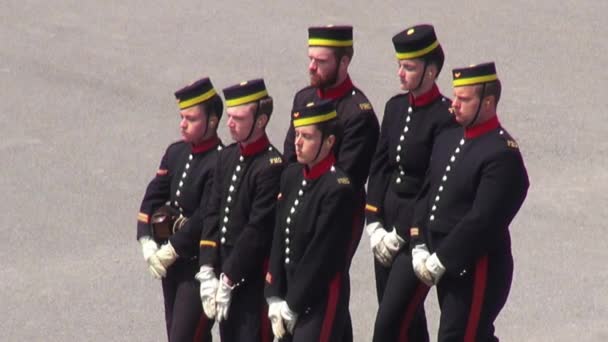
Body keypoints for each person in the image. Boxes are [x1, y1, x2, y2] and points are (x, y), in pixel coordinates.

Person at [410, 62, 529, 341]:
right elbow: (427, 192)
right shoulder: (449, 137)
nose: (455, 105)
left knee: (459, 336)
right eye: (455, 97)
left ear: (487, 103)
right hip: (444, 262)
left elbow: (483, 219)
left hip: (477, 267)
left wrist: (443, 258)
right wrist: (418, 242)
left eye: (464, 99)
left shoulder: (501, 153)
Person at [282, 25, 379, 340]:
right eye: (311, 59)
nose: (312, 67)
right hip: (302, 202)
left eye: (321, 62)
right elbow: (290, 161)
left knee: (327, 280)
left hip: (339, 214)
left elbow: (345, 180)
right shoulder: (304, 98)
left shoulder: (357, 112)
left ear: (344, 63)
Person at [365, 24, 457, 341]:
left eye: (409, 67)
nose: (401, 74)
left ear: (430, 71)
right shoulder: (396, 107)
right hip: (384, 231)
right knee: (409, 324)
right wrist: (374, 222)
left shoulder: (445, 116)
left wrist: (402, 233)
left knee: (388, 326)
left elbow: (433, 183)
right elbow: (379, 168)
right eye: (399, 66)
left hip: (417, 236)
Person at [196, 79, 284, 342]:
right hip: (224, 269)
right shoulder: (227, 156)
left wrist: (229, 278)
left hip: (249, 277)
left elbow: (257, 229)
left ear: (260, 121)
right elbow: (213, 213)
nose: (230, 123)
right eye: (230, 117)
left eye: (239, 118)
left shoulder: (270, 165)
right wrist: (207, 267)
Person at [136, 77, 223, 341]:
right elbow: (153, 196)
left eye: (191, 119)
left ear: (212, 121)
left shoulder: (220, 160)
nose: (182, 124)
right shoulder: (176, 153)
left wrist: (172, 249)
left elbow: (205, 215)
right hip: (170, 264)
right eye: (182, 117)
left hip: (197, 264)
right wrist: (146, 239)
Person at [266, 100, 355, 342]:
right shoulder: (292, 175)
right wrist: (273, 292)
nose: (297, 142)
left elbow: (321, 254)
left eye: (307, 136)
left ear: (329, 142)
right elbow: (278, 236)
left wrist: (293, 303)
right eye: (296, 134)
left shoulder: (338, 188)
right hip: (289, 292)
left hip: (320, 296)